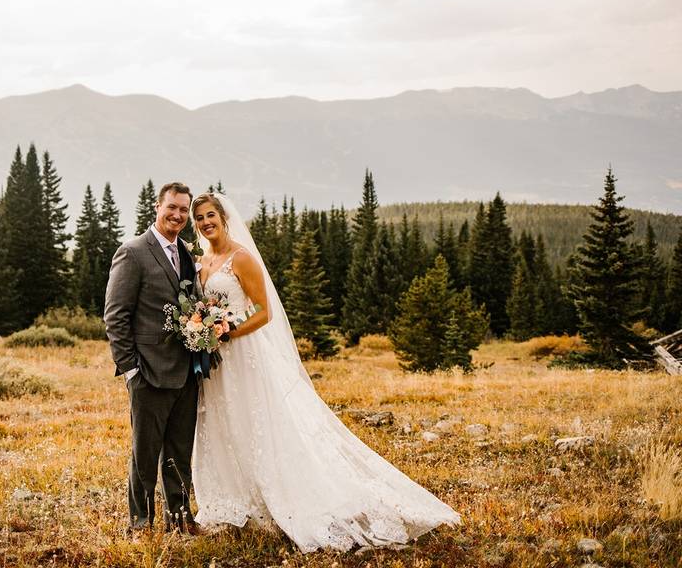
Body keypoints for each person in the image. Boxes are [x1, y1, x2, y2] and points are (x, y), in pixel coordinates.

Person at [190, 192, 461, 552]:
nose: (206, 222)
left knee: (258, 424)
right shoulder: (203, 260)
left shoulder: (242, 258)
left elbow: (263, 312)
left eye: (211, 215)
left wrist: (227, 330)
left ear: (223, 216)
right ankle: (238, 502)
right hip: (217, 363)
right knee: (226, 425)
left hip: (244, 355)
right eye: (200, 219)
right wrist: (202, 329)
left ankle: (283, 499)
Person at [104, 182, 201, 537]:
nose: (177, 215)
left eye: (183, 210)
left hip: (187, 373)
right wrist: (131, 370)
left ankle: (179, 520)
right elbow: (115, 316)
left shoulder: (187, 254)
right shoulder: (133, 252)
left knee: (180, 451)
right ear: (156, 207)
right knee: (144, 455)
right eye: (171, 207)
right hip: (148, 372)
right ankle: (140, 523)